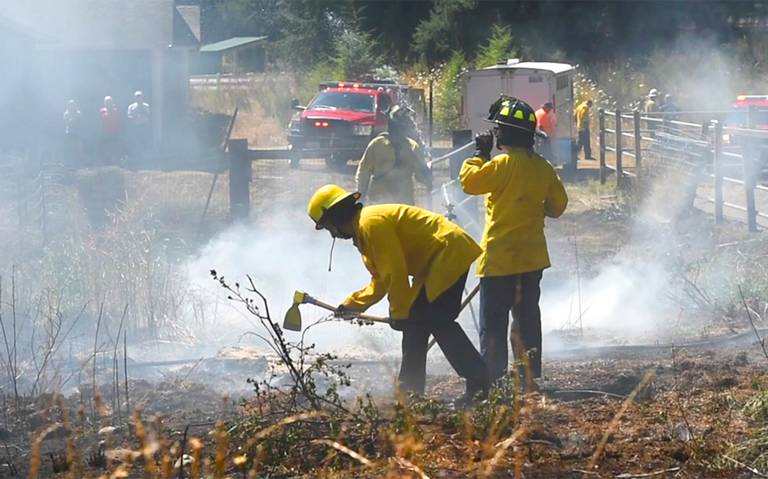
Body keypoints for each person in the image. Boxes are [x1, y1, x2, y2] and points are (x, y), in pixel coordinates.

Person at [307, 184, 490, 403]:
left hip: (447, 252)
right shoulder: (364, 229)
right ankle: (410, 396)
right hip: (436, 260)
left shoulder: (371, 225)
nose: (332, 234)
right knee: (418, 326)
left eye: (328, 227)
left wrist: (400, 313)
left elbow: (395, 272)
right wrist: (352, 305)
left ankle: (478, 385)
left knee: (437, 321)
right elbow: (382, 279)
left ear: (335, 218)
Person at [459, 96, 568, 389]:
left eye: (497, 131)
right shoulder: (543, 167)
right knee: (526, 321)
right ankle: (527, 378)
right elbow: (558, 206)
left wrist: (479, 154)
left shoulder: (502, 164)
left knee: (493, 325)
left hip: (499, 260)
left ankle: (492, 381)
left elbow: (470, 182)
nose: (495, 135)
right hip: (531, 260)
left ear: (504, 134)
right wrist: (535, 209)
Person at [355, 105, 432, 206]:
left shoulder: (412, 147)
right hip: (381, 202)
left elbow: (421, 176)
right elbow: (363, 174)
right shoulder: (378, 144)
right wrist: (360, 198)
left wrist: (427, 174)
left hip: (401, 204)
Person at [126, 90, 151, 160]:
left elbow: (148, 115)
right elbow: (129, 116)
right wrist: (135, 117)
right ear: (135, 98)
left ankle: (145, 156)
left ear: (142, 97)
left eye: (140, 97)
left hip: (144, 127)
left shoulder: (146, 106)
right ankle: (136, 156)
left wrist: (141, 114)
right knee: (136, 142)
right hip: (135, 127)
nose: (139, 98)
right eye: (137, 97)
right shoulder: (131, 107)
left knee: (144, 141)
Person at [99, 96, 122, 165]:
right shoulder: (102, 111)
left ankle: (115, 161)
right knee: (106, 146)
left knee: (114, 146)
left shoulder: (116, 111)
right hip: (105, 132)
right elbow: (100, 121)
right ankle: (107, 161)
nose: (108, 103)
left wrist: (119, 131)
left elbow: (118, 122)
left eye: (109, 102)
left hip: (114, 131)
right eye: (107, 102)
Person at [63, 99, 84, 166]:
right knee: (70, 148)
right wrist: (72, 121)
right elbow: (67, 123)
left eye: (73, 105)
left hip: (77, 133)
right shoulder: (66, 114)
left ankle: (79, 162)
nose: (71, 107)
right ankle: (70, 163)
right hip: (69, 133)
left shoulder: (78, 113)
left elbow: (80, 122)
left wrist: (73, 121)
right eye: (70, 105)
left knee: (79, 148)